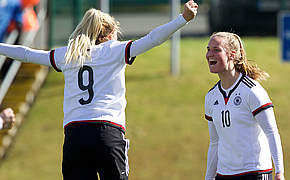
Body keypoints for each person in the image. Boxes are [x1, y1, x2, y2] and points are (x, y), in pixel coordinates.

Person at [0, 1, 198, 179]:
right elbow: (153, 38)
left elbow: (26, 54)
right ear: (110, 33)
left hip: (74, 135)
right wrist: (183, 19)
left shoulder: (67, 55)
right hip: (107, 131)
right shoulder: (115, 50)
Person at [204, 32, 285, 180]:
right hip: (224, 174)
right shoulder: (211, 97)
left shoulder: (252, 91)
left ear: (231, 54)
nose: (210, 54)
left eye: (216, 50)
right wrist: (209, 177)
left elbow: (271, 132)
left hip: (254, 172)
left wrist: (279, 171)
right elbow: (215, 142)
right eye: (208, 49)